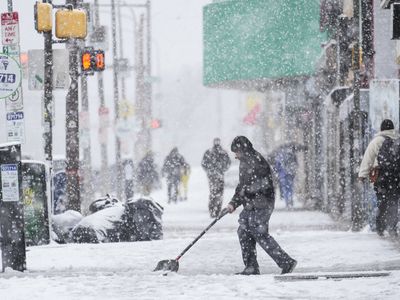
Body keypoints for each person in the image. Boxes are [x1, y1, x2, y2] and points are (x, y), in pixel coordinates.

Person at [222, 136, 297, 275]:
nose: (236, 156)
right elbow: (242, 186)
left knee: (259, 233)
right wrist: (233, 203)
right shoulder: (245, 162)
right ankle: (251, 267)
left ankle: (286, 262)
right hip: (251, 204)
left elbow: (262, 184)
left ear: (243, 149)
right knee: (244, 232)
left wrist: (247, 192)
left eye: (237, 152)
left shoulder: (257, 161)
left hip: (263, 203)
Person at [358, 119, 400, 237]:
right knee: (394, 202)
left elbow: (368, 159)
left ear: (381, 129)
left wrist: (362, 175)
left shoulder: (376, 141)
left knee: (382, 202)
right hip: (395, 177)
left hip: (381, 177)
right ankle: (392, 227)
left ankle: (380, 227)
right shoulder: (397, 140)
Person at [201, 138, 231, 217]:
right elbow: (228, 163)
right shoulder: (222, 152)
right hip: (217, 175)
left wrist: (209, 170)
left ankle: (214, 210)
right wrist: (221, 169)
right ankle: (215, 210)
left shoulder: (210, 152)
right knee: (218, 193)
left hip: (214, 175)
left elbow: (204, 163)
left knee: (214, 193)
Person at [272, 143, 307, 209]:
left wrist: (278, 172)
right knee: (290, 187)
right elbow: (296, 164)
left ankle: (287, 202)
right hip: (290, 174)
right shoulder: (292, 154)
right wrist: (293, 171)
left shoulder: (280, 155)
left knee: (285, 188)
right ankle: (290, 199)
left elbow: (277, 166)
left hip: (282, 175)